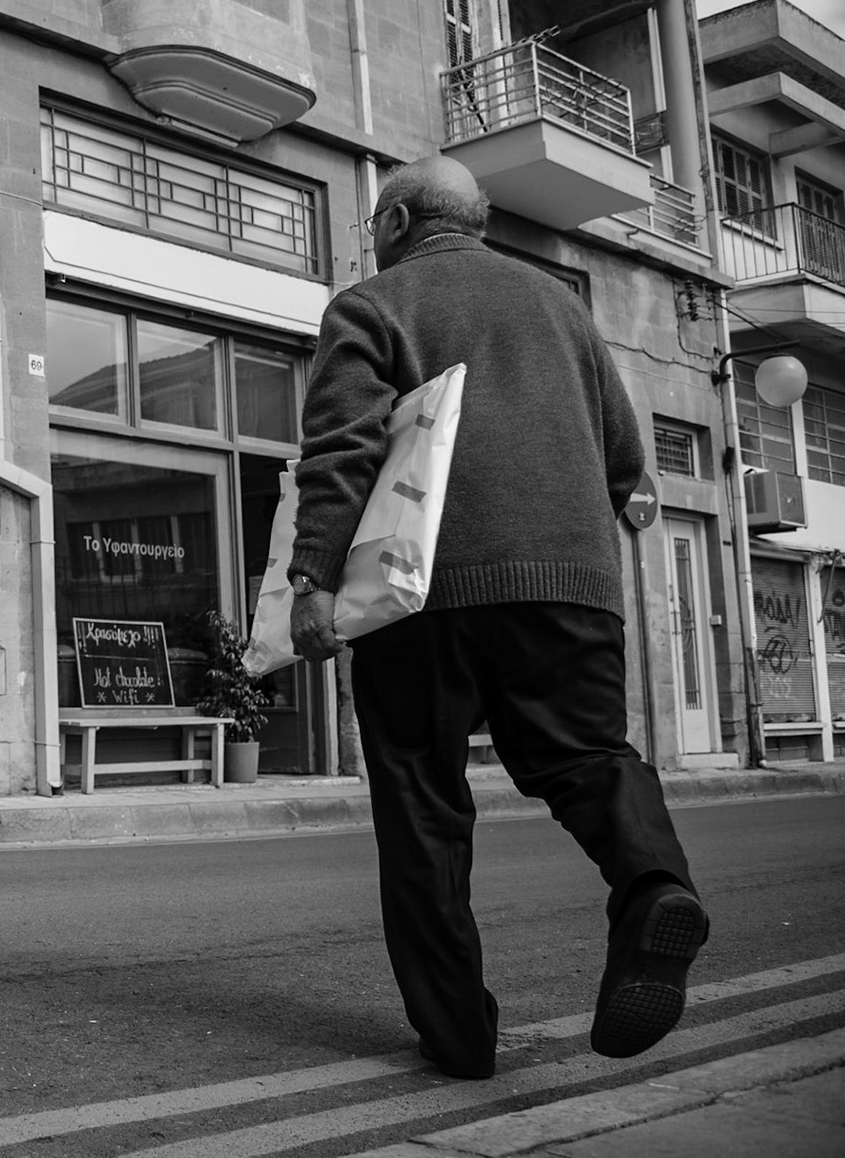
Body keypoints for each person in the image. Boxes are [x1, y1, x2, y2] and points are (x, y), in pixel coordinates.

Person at [287, 157, 709, 1080]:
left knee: (422, 801)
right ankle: (653, 887)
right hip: (569, 584)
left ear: (397, 222)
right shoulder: (564, 309)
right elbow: (626, 464)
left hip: (420, 593)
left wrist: (312, 579)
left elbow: (343, 450)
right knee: (589, 757)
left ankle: (459, 1035)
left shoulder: (371, 304)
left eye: (373, 223)